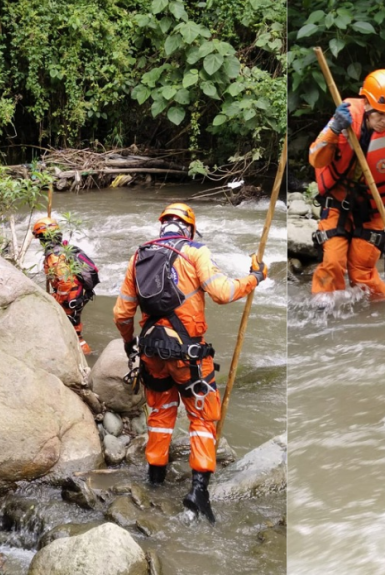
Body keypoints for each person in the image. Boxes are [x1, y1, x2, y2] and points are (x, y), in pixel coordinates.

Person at [112, 203, 268, 524]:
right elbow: (222, 293)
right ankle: (198, 492)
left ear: (162, 227)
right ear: (189, 229)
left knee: (160, 414)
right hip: (188, 356)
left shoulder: (139, 256)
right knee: (201, 418)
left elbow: (121, 314)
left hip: (152, 352)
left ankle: (155, 479)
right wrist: (254, 278)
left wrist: (130, 343)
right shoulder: (196, 252)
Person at [308, 68, 385, 299]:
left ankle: (377, 320)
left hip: (373, 209)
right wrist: (333, 129)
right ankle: (321, 311)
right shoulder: (343, 120)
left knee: (362, 273)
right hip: (337, 202)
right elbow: (315, 158)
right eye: (381, 114)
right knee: (332, 262)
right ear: (367, 105)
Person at [33, 217, 99, 355]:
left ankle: (83, 357)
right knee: (74, 327)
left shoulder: (55, 257)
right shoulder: (64, 249)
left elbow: (66, 281)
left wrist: (59, 299)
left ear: (43, 239)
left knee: (74, 331)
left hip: (71, 297)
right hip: (79, 294)